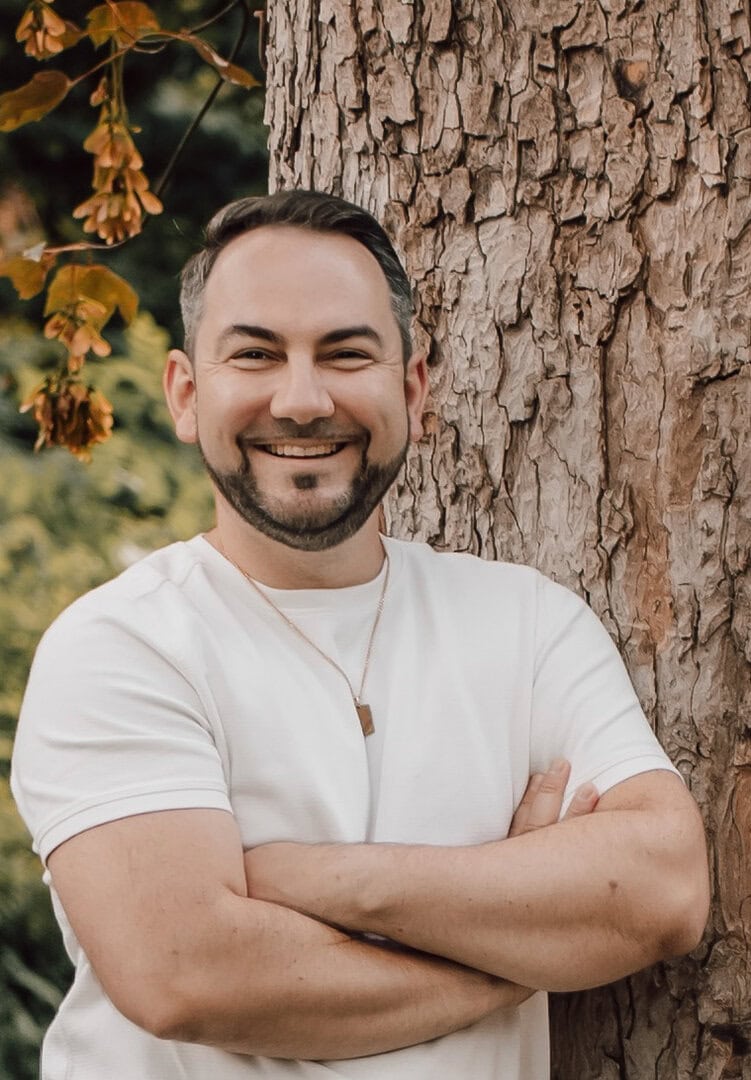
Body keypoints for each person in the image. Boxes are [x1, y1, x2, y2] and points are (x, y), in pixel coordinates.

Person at [11, 190, 709, 1080]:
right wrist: (516, 940)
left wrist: (312, 879)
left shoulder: (528, 624)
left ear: (411, 389)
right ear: (186, 395)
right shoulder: (122, 645)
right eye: (255, 354)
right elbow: (188, 976)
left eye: (345, 354)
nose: (302, 401)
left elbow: (663, 891)